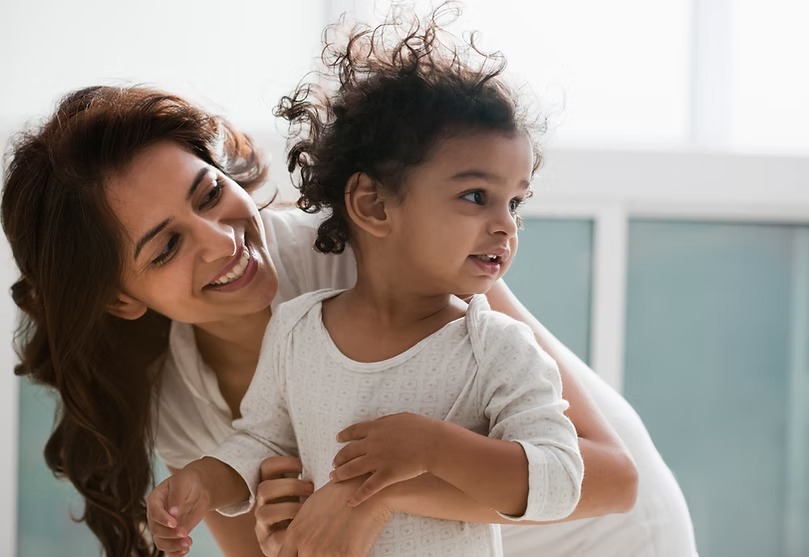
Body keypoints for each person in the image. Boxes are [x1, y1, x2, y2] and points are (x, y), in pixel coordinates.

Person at [0, 10, 695, 557]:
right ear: (120, 297)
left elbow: (606, 477)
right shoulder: (181, 399)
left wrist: (373, 493)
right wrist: (284, 531)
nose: (222, 239)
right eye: (167, 245)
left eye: (209, 193)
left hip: (605, 539)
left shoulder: (365, 247)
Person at [144, 12, 586, 553]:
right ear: (372, 205)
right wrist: (204, 482)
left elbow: (560, 479)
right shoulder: (297, 328)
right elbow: (260, 440)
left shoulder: (495, 346)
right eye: (476, 196)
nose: (505, 225)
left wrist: (436, 448)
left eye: (515, 202)